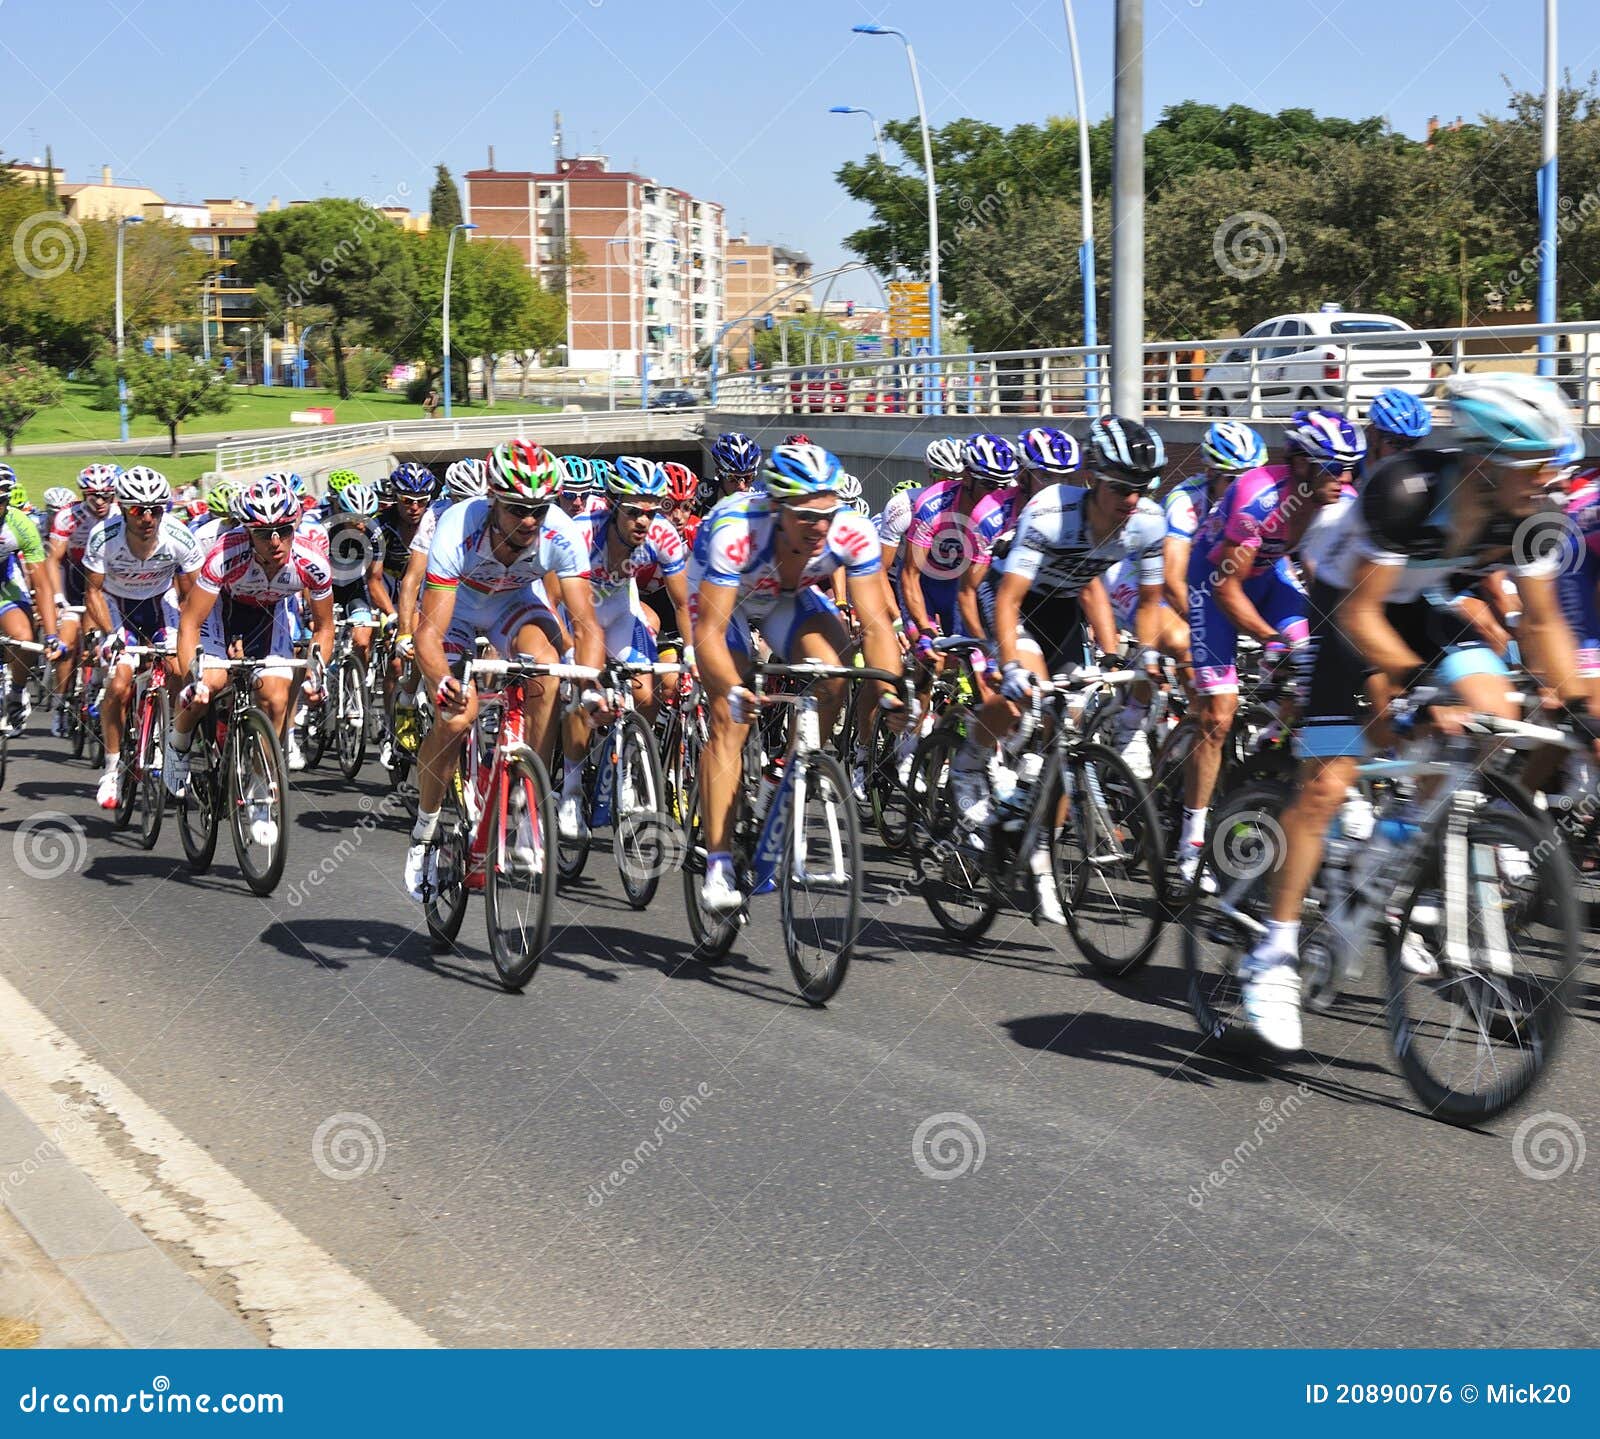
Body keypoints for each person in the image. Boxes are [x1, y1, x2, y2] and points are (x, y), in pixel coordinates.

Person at [1239, 373, 1599, 1053]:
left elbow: (1545, 622)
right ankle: (1275, 958)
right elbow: (1360, 616)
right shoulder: (1406, 491)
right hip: (1349, 608)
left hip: (1428, 603)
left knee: (1493, 719)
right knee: (1326, 783)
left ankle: (1420, 847)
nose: (1554, 477)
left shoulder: (1534, 514)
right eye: (1541, 462)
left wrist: (1580, 706)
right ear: (1488, 461)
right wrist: (1403, 702)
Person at [690, 442, 907, 914]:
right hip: (724, 601)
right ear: (776, 507)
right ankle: (720, 864)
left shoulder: (849, 532)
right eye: (807, 517)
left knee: (835, 673)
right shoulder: (737, 531)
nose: (821, 527)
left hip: (787, 596)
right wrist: (731, 689)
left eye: (828, 514)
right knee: (733, 714)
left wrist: (890, 692)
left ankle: (792, 768)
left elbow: (874, 622)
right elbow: (707, 631)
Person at [404, 440, 607, 900]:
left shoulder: (560, 533)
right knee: (457, 716)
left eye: (539, 508)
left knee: (550, 669)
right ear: (493, 500)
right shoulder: (458, 528)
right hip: (457, 613)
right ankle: (425, 829)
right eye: (518, 509)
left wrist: (593, 684)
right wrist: (444, 683)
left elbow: (585, 623)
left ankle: (526, 791)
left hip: (513, 605)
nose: (530, 520)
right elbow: (428, 635)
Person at [1174, 410, 1363, 884]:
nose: (1343, 479)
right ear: (1299, 465)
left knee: (1314, 658)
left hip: (1273, 578)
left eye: (1350, 467)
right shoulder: (1256, 495)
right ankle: (1190, 841)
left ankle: (1270, 747)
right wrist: (1267, 639)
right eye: (1331, 468)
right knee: (1218, 713)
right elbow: (1226, 589)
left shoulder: (1344, 502)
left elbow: (1330, 582)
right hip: (1216, 583)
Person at [165, 475, 335, 818]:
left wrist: (318, 675)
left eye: (284, 531)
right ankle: (178, 742)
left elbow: (324, 627)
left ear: (295, 525)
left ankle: (260, 789)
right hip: (221, 612)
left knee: (275, 697)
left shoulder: (311, 562)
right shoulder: (226, 554)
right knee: (208, 686)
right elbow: (190, 622)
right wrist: (192, 676)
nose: (275, 542)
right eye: (262, 533)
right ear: (246, 532)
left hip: (269, 615)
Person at [82, 467, 202, 808]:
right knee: (119, 684)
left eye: (156, 510)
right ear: (123, 509)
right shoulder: (103, 536)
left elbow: (195, 593)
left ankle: (175, 748)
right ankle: (112, 769)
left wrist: (193, 637)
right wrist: (108, 634)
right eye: (138, 510)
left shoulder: (179, 536)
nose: (148, 518)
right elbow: (91, 592)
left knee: (181, 671)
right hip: (116, 608)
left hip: (160, 604)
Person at [46, 464, 119, 735]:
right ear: (83, 494)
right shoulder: (68, 517)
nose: (100, 502)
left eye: (106, 495)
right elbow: (53, 560)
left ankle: (96, 685)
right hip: (73, 586)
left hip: (104, 585)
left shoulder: (121, 515)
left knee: (99, 645)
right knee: (66, 644)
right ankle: (61, 704)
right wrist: (57, 597)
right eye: (93, 496)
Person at [0, 466, 65, 729]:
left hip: (5, 582)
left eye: (1, 501)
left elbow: (42, 584)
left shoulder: (20, 523)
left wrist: (51, 636)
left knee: (25, 639)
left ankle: (16, 690)